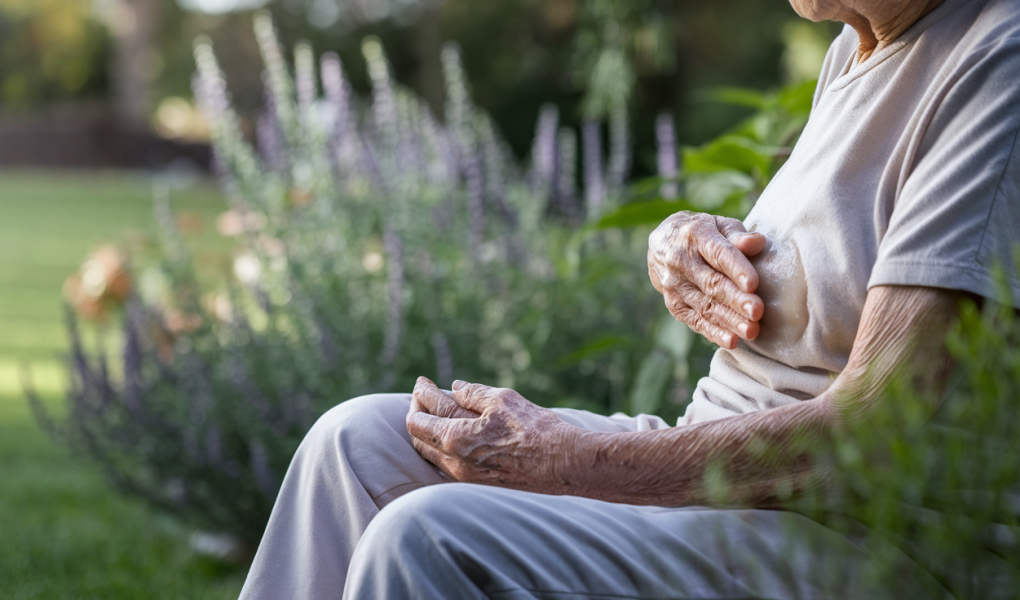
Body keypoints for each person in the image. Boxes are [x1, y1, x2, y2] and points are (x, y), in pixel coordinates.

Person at [239, 0, 1020, 597]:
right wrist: (683, 241)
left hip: (861, 538)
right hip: (726, 475)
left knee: (428, 536)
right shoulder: (858, 47)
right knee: (352, 446)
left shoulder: (997, 60)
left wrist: (568, 462)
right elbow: (833, 250)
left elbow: (876, 429)